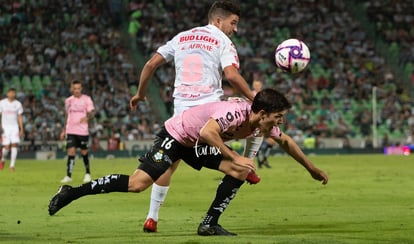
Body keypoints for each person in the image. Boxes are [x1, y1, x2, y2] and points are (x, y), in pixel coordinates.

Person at [48, 89, 328, 236]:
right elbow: (208, 131)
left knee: (240, 169)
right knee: (137, 184)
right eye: (278, 117)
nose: (280, 122)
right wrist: (234, 155)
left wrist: (311, 169)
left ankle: (209, 223)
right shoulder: (234, 113)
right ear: (263, 113)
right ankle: (71, 193)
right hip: (176, 136)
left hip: (197, 145)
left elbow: (287, 142)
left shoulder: (261, 125)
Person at [129, 0, 262, 233]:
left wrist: (140, 94)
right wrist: (254, 98)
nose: (235, 29)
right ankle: (243, 165)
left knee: (169, 164)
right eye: (234, 23)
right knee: (257, 124)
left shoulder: (181, 37)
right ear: (218, 21)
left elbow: (150, 65)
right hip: (209, 112)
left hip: (181, 114)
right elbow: (231, 75)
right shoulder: (223, 41)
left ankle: (152, 217)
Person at [60, 80, 95, 183]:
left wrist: (87, 118)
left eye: (78, 88)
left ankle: (88, 173)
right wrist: (63, 130)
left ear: (81, 89)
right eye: (74, 88)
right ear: (71, 89)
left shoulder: (87, 99)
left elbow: (92, 113)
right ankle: (68, 176)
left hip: (83, 131)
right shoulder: (68, 101)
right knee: (71, 152)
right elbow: (66, 115)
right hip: (70, 130)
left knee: (84, 152)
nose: (76, 90)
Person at [0, 88, 24, 171]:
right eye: (10, 93)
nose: (12, 94)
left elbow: (20, 116)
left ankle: (12, 166)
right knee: (6, 147)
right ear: (7, 94)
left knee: (14, 145)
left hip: (14, 127)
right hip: (5, 127)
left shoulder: (18, 104)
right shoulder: (2, 103)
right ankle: (3, 159)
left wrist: (21, 128)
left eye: (13, 93)